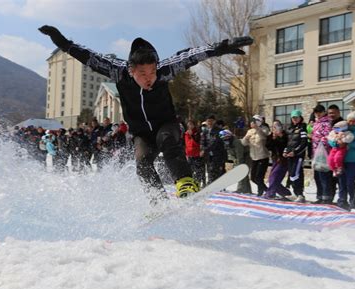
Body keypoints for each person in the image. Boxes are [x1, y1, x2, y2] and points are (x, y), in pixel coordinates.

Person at [39, 25, 253, 199]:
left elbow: (188, 56)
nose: (149, 77)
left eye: (152, 71)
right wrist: (63, 43)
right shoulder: (118, 72)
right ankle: (156, 199)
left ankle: (185, 183)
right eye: (142, 73)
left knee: (168, 141)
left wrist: (221, 47)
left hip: (166, 124)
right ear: (131, 71)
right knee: (142, 163)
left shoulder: (163, 71)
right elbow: (89, 56)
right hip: (141, 132)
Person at [335, 111, 355, 210]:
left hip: (353, 159)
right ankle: (342, 200)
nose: (352, 123)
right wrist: (336, 143)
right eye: (350, 121)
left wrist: (348, 144)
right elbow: (332, 137)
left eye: (354, 121)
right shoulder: (344, 127)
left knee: (350, 181)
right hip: (341, 159)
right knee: (341, 181)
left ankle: (354, 201)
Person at [241, 115, 270, 196]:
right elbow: (243, 143)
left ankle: (262, 192)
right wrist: (246, 138)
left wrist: (257, 128)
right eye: (251, 121)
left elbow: (264, 137)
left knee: (259, 177)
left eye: (253, 121)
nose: (251, 123)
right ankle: (267, 190)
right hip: (254, 157)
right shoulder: (249, 131)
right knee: (253, 178)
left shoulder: (264, 129)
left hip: (263, 157)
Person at [283, 110, 308, 202]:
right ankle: (296, 193)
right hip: (290, 156)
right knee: (291, 174)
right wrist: (285, 151)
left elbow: (304, 143)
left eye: (296, 117)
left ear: (300, 118)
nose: (295, 119)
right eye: (293, 118)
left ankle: (300, 194)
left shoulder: (302, 128)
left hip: (298, 156)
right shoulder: (290, 129)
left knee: (296, 174)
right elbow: (288, 143)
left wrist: (295, 152)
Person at [311, 104, 333, 204]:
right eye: (316, 112)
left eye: (320, 112)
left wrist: (320, 142)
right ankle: (319, 196)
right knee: (317, 176)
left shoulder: (327, 123)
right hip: (316, 152)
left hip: (324, 152)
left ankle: (326, 197)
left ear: (324, 112)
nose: (318, 114)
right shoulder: (316, 123)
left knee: (324, 175)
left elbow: (327, 136)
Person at [264, 120, 291, 200]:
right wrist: (273, 139)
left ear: (281, 126)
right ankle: (285, 192)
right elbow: (268, 146)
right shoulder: (271, 136)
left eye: (277, 126)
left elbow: (287, 145)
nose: (275, 128)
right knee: (272, 178)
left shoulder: (285, 135)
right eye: (273, 126)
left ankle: (270, 193)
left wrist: (280, 136)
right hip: (275, 159)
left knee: (274, 176)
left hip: (284, 159)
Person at [201, 115, 227, 184]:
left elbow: (214, 143)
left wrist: (205, 150)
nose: (209, 122)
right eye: (208, 121)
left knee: (215, 171)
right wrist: (203, 149)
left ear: (214, 121)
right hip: (208, 155)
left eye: (211, 121)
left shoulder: (219, 131)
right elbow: (202, 141)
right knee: (209, 171)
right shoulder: (205, 131)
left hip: (217, 154)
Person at [184, 120, 205, 188]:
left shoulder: (197, 132)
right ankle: (190, 184)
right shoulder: (186, 133)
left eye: (191, 124)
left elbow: (197, 142)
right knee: (189, 171)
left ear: (194, 125)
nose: (190, 126)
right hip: (189, 155)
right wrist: (186, 153)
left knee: (198, 171)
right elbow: (185, 144)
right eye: (188, 124)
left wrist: (192, 135)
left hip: (197, 155)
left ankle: (198, 184)